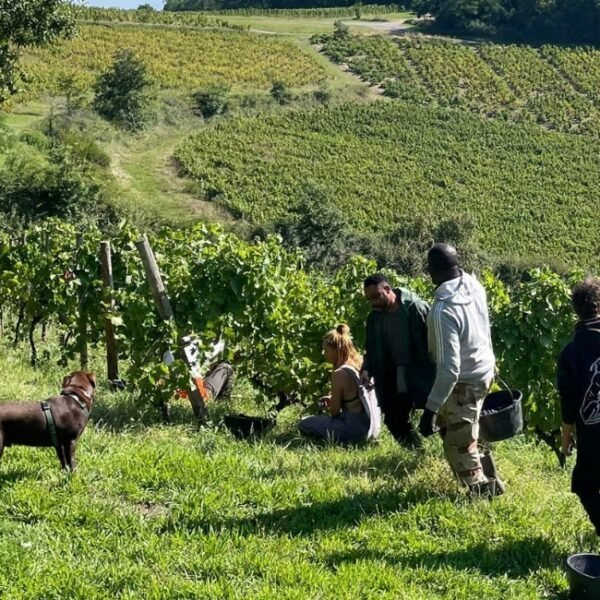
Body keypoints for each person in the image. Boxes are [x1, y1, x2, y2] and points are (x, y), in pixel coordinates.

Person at [418, 244, 503, 497]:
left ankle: (480, 495)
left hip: (463, 383)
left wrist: (430, 410)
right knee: (470, 430)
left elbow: (449, 369)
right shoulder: (475, 287)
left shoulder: (443, 310)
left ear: (431, 272)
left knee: (459, 444)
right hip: (484, 371)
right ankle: (493, 481)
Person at [361, 274, 434, 448]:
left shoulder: (415, 308)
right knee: (394, 419)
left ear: (387, 289)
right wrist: (366, 369)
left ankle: (455, 453)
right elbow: (371, 348)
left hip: (420, 372)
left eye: (376, 296)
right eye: (369, 299)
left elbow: (434, 343)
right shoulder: (374, 318)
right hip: (392, 374)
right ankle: (416, 451)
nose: (373, 303)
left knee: (440, 415)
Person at [557, 277, 600, 536]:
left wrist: (565, 440)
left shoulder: (570, 353)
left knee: (585, 485)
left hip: (593, 436)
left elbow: (568, 407)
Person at [298, 324, 372, 443]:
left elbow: (335, 412)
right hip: (368, 426)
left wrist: (332, 404)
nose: (324, 354)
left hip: (352, 429)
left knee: (305, 423)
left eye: (326, 350)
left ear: (336, 350)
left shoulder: (339, 373)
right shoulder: (358, 363)